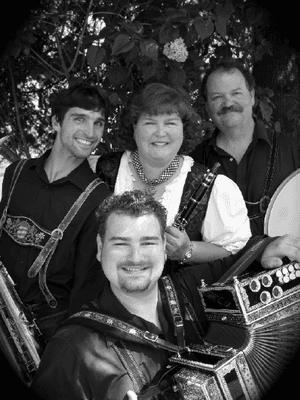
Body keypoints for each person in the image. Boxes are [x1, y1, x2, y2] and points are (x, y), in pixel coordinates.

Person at [31, 190, 300, 400]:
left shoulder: (190, 289)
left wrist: (268, 247)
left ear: (164, 249)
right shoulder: (71, 350)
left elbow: (241, 260)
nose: (135, 257)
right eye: (120, 243)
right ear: (100, 249)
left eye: (148, 242)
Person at [92, 82, 251, 270]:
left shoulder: (214, 187)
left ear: (184, 129)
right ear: (134, 127)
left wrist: (187, 250)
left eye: (170, 123)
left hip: (173, 297)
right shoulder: (100, 169)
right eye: (150, 122)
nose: (160, 133)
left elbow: (234, 251)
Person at [0, 82, 111, 342]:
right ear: (56, 122)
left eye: (98, 123)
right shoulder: (16, 173)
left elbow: (86, 288)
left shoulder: (98, 198)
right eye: (80, 119)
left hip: (42, 331)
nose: (91, 132)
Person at [190, 56, 300, 236]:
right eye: (217, 97)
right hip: (218, 265)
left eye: (236, 93)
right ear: (207, 107)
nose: (228, 103)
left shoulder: (293, 150)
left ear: (252, 96)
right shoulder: (194, 163)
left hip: (287, 263)